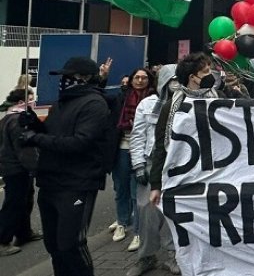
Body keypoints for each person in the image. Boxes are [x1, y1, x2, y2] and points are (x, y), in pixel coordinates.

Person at [19, 57, 110, 275]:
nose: (64, 81)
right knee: (54, 245)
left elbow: (79, 143)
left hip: (77, 183)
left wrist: (36, 138)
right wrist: (34, 124)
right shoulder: (61, 103)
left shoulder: (95, 104)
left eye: (69, 76)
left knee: (71, 244)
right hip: (50, 181)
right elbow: (53, 135)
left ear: (84, 78)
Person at [127, 65, 180, 276]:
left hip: (178, 166)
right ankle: (146, 257)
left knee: (173, 213)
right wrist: (138, 165)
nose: (175, 84)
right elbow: (138, 135)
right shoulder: (147, 104)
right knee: (146, 211)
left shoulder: (187, 105)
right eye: (171, 80)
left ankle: (173, 255)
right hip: (151, 164)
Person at [149, 52, 218, 205]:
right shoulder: (172, 107)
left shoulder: (219, 99)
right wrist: (156, 185)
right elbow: (161, 146)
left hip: (215, 172)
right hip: (185, 175)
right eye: (206, 72)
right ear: (192, 77)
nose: (211, 75)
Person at [108, 68, 155, 251]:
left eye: (144, 78)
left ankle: (138, 231)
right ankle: (122, 221)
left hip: (142, 150)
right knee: (121, 187)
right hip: (122, 146)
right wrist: (102, 78)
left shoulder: (154, 100)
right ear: (131, 80)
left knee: (138, 192)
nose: (140, 81)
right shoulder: (122, 98)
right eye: (137, 77)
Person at [0, 90, 41, 256]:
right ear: (19, 102)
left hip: (9, 166)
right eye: (29, 99)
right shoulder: (18, 120)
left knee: (25, 199)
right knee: (14, 203)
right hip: (17, 168)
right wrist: (35, 167)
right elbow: (24, 149)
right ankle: (3, 239)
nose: (32, 102)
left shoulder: (6, 118)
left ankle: (24, 232)